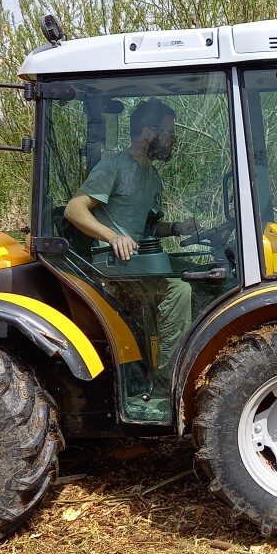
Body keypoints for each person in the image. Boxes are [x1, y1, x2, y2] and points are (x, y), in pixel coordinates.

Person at [64, 99, 196, 407]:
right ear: (149, 133)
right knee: (179, 292)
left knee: (196, 272)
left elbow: (148, 227)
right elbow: (75, 209)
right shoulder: (114, 167)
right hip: (114, 267)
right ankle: (166, 386)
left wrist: (177, 228)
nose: (173, 139)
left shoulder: (152, 176)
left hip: (139, 264)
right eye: (169, 132)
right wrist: (112, 236)